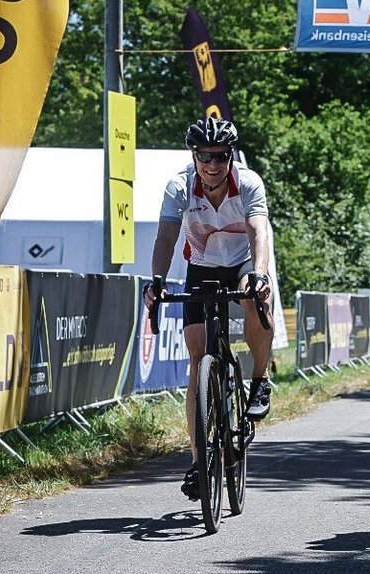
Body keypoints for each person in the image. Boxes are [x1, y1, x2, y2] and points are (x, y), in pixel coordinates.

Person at [144, 117, 274, 497]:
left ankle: (261, 380)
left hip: (243, 263)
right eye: (205, 156)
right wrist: (156, 279)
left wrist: (262, 274)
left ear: (230, 155)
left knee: (253, 296)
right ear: (194, 156)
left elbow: (258, 230)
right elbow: (166, 236)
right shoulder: (179, 186)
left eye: (220, 156)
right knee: (198, 362)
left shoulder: (248, 183)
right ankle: (199, 463)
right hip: (201, 265)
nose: (212, 164)